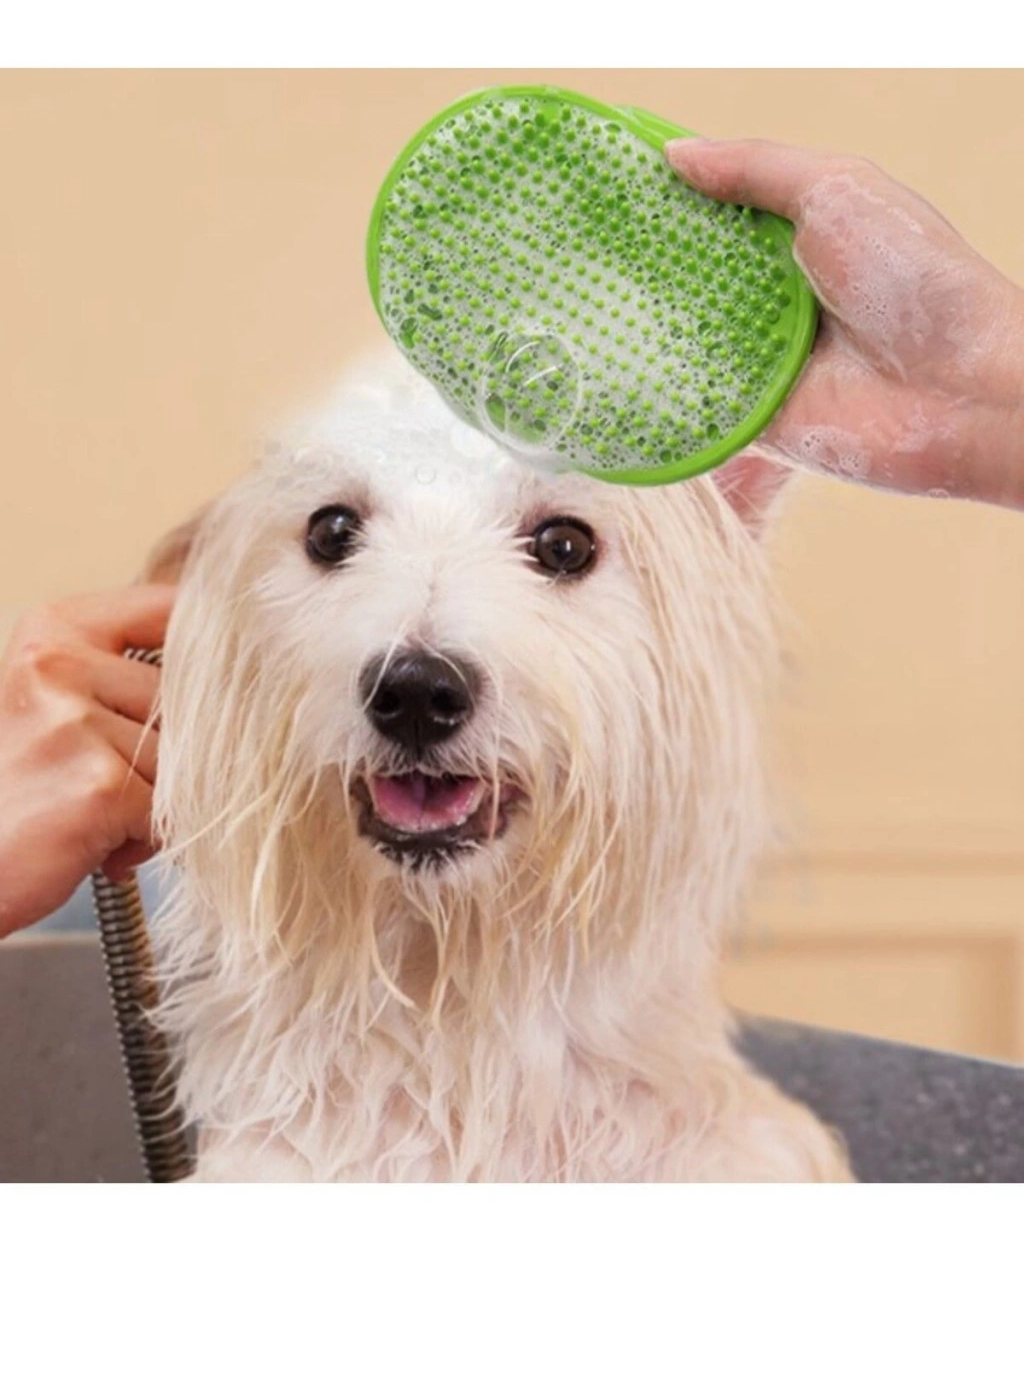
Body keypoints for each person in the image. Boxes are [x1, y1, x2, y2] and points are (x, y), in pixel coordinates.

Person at [2, 140, 1022, 937]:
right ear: (186, 613)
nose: (415, 663)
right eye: (335, 534)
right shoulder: (84, 877)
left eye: (562, 549)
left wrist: (987, 394)